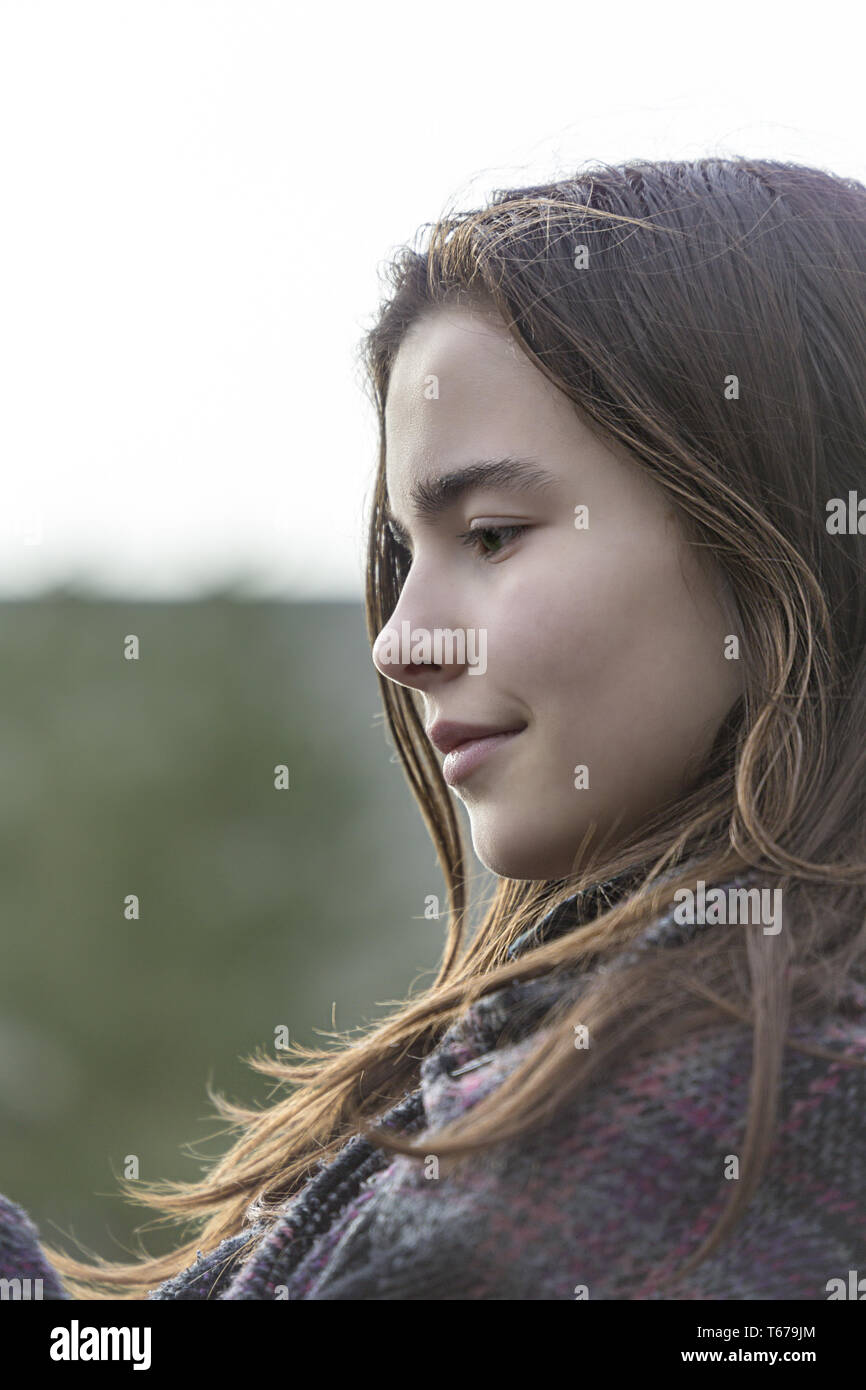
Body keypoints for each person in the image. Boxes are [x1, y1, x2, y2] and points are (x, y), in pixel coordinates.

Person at [2, 155, 866, 1300]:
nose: (400, 641)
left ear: (775, 537)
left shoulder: (758, 1091)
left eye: (495, 536)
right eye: (405, 555)